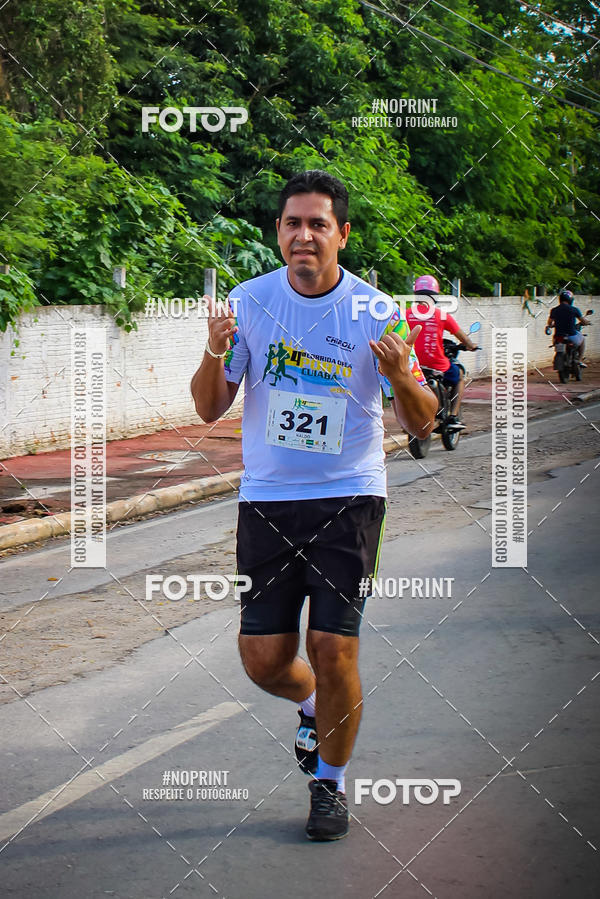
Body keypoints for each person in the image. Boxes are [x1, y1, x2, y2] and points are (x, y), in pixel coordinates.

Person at [190, 170, 437, 842]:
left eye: (318, 224)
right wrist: (216, 345)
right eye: (293, 223)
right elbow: (210, 406)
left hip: (350, 496)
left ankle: (329, 784)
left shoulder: (375, 312)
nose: (304, 235)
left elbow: (421, 420)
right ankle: (308, 707)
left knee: (333, 646)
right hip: (268, 500)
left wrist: (396, 376)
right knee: (263, 659)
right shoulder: (249, 303)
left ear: (342, 234)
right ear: (279, 232)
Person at [406, 275, 478, 429]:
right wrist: (471, 345)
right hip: (437, 364)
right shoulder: (441, 315)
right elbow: (463, 337)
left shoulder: (406, 314)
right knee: (458, 376)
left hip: (412, 364)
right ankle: (452, 416)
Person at [547, 289, 590, 366]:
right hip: (571, 336)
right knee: (583, 339)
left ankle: (560, 362)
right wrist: (587, 322)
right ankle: (579, 360)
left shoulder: (554, 310)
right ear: (570, 300)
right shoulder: (574, 310)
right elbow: (583, 321)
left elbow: (549, 322)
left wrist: (552, 325)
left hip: (558, 337)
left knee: (557, 347)